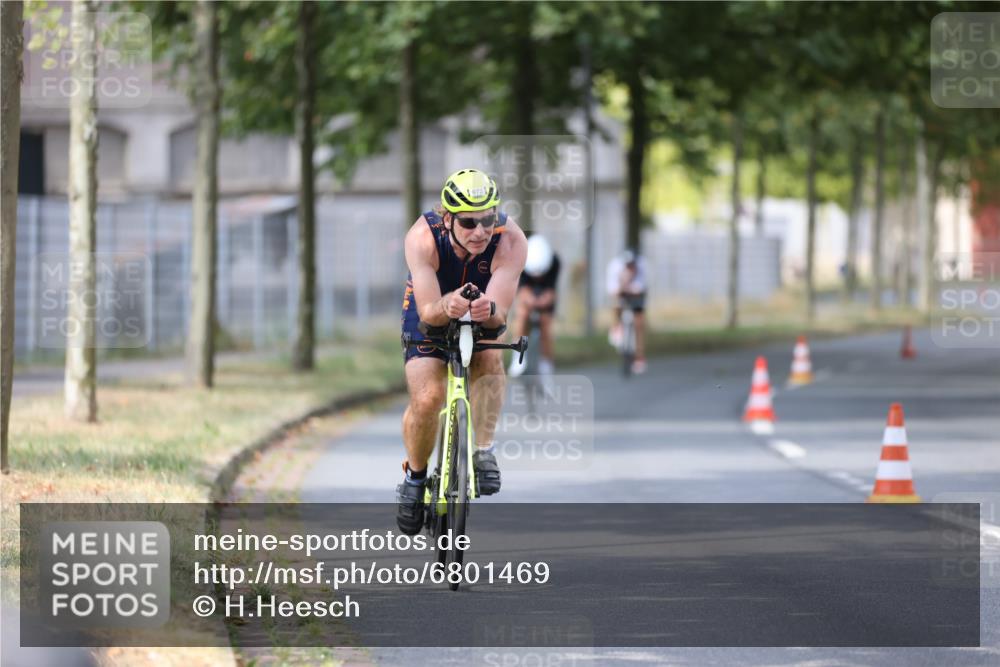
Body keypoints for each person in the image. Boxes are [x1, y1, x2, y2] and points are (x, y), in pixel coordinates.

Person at [396, 168, 528, 535]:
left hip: (481, 307)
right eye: (469, 222)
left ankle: (483, 449)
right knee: (429, 396)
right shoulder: (422, 237)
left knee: (489, 359)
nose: (481, 231)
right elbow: (426, 312)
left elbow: (499, 315)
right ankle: (416, 478)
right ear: (448, 217)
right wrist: (447, 305)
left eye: (488, 219)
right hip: (432, 309)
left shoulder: (511, 240)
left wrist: (487, 311)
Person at [509, 234, 560, 378]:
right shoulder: (520, 260)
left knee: (546, 323)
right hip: (527, 294)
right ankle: (517, 358)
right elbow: (522, 291)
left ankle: (547, 366)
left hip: (544, 294)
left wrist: (544, 301)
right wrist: (529, 301)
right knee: (522, 315)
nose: (537, 277)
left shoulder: (554, 262)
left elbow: (552, 291)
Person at [605, 248, 648, 374]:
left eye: (632, 265)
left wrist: (632, 287)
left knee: (639, 322)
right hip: (621, 291)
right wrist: (623, 283)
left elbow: (641, 288)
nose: (630, 267)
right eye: (627, 265)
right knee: (616, 305)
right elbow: (613, 290)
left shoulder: (643, 266)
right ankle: (616, 326)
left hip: (636, 293)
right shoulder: (614, 267)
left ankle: (639, 356)